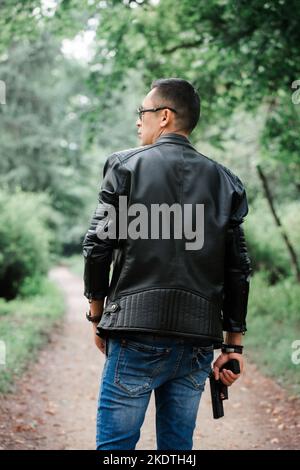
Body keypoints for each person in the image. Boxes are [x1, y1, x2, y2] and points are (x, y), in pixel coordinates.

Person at [82, 78, 251, 450]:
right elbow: (238, 269)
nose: (137, 121)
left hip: (133, 333)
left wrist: (97, 316)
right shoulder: (227, 183)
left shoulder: (124, 167)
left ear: (164, 117)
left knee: (115, 449)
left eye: (142, 113)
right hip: (195, 342)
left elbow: (97, 247)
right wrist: (233, 348)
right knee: (177, 449)